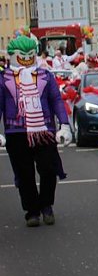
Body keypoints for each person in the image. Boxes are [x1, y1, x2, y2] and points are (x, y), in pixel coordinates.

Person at [0, 34, 73, 226]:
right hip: (16, 132)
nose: (26, 58)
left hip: (44, 130)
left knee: (48, 169)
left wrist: (64, 125)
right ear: (12, 55)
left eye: (30, 54)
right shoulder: (4, 78)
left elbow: (56, 100)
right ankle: (32, 211)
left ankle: (46, 205)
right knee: (24, 174)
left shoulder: (45, 76)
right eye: (21, 55)